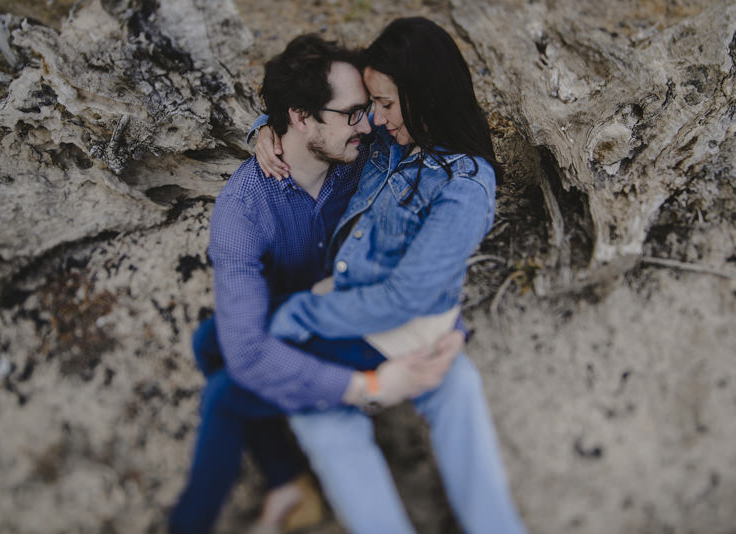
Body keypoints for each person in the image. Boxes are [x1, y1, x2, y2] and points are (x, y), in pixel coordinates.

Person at [168, 34, 463, 534]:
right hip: (303, 317)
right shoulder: (243, 208)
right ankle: (287, 480)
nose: (369, 124)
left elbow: (432, 126)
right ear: (301, 115)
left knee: (221, 393)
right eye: (352, 113)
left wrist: (265, 125)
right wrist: (364, 388)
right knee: (212, 343)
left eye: (368, 110)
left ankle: (253, 497)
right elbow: (247, 351)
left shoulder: (366, 155)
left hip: (363, 315)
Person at [253, 17, 527, 534]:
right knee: (447, 380)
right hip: (363, 316)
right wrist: (267, 131)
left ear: (425, 93)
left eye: (385, 103)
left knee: (313, 393)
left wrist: (300, 313)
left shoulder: (465, 183)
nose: (374, 119)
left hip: (388, 323)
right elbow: (315, 108)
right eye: (371, 104)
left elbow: (408, 294)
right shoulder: (387, 143)